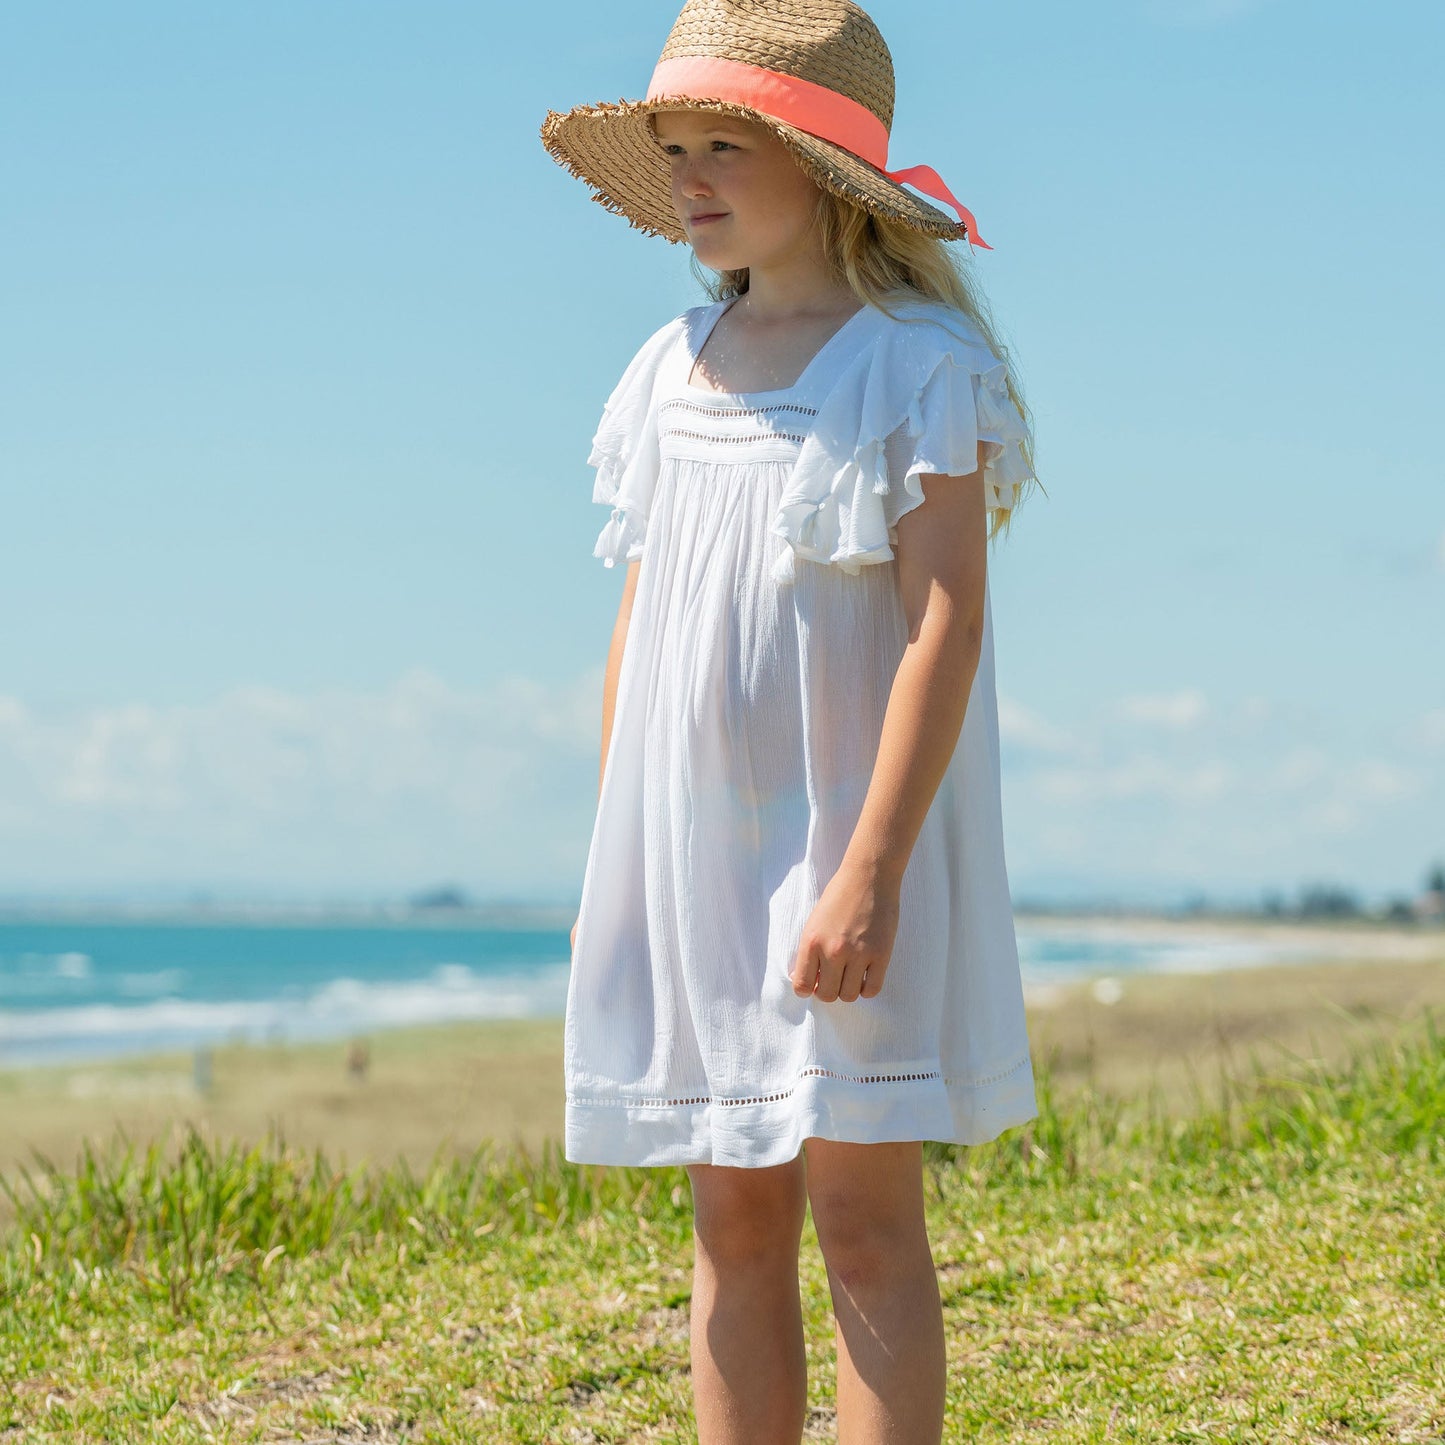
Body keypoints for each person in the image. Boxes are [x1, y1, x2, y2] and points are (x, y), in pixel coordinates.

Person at [542, 2, 1041, 1440]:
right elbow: (638, 629)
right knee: (729, 1224)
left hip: (841, 842)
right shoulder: (665, 370)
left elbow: (946, 617)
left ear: (823, 166)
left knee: (864, 1218)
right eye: (674, 150)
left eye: (722, 148)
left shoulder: (915, 367)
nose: (689, 178)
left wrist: (871, 865)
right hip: (688, 855)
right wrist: (612, 857)